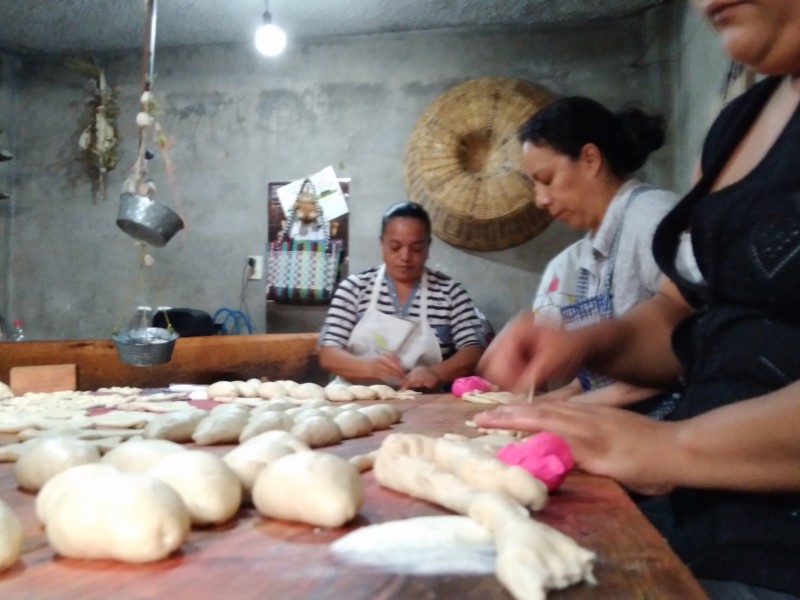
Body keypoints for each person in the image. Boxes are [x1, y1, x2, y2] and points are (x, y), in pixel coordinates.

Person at [475, 1, 800, 597]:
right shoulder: (736, 131)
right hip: (710, 519)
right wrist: (581, 346)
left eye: (545, 180)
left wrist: (672, 445)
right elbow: (684, 319)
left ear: (591, 160)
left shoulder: (645, 216)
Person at [521, 96, 679, 414]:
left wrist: (578, 406)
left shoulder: (652, 217)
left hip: (671, 427)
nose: (540, 200)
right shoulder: (592, 249)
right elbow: (604, 375)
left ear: (591, 159)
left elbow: (689, 346)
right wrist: (563, 396)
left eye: (548, 180)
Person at [318, 201, 485, 391]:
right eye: (395, 247)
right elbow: (328, 353)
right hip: (356, 399)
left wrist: (436, 373)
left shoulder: (450, 292)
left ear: (428, 247)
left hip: (425, 404)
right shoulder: (354, 289)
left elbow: (474, 350)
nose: (405, 257)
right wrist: (370, 368)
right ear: (382, 244)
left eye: (416, 249)